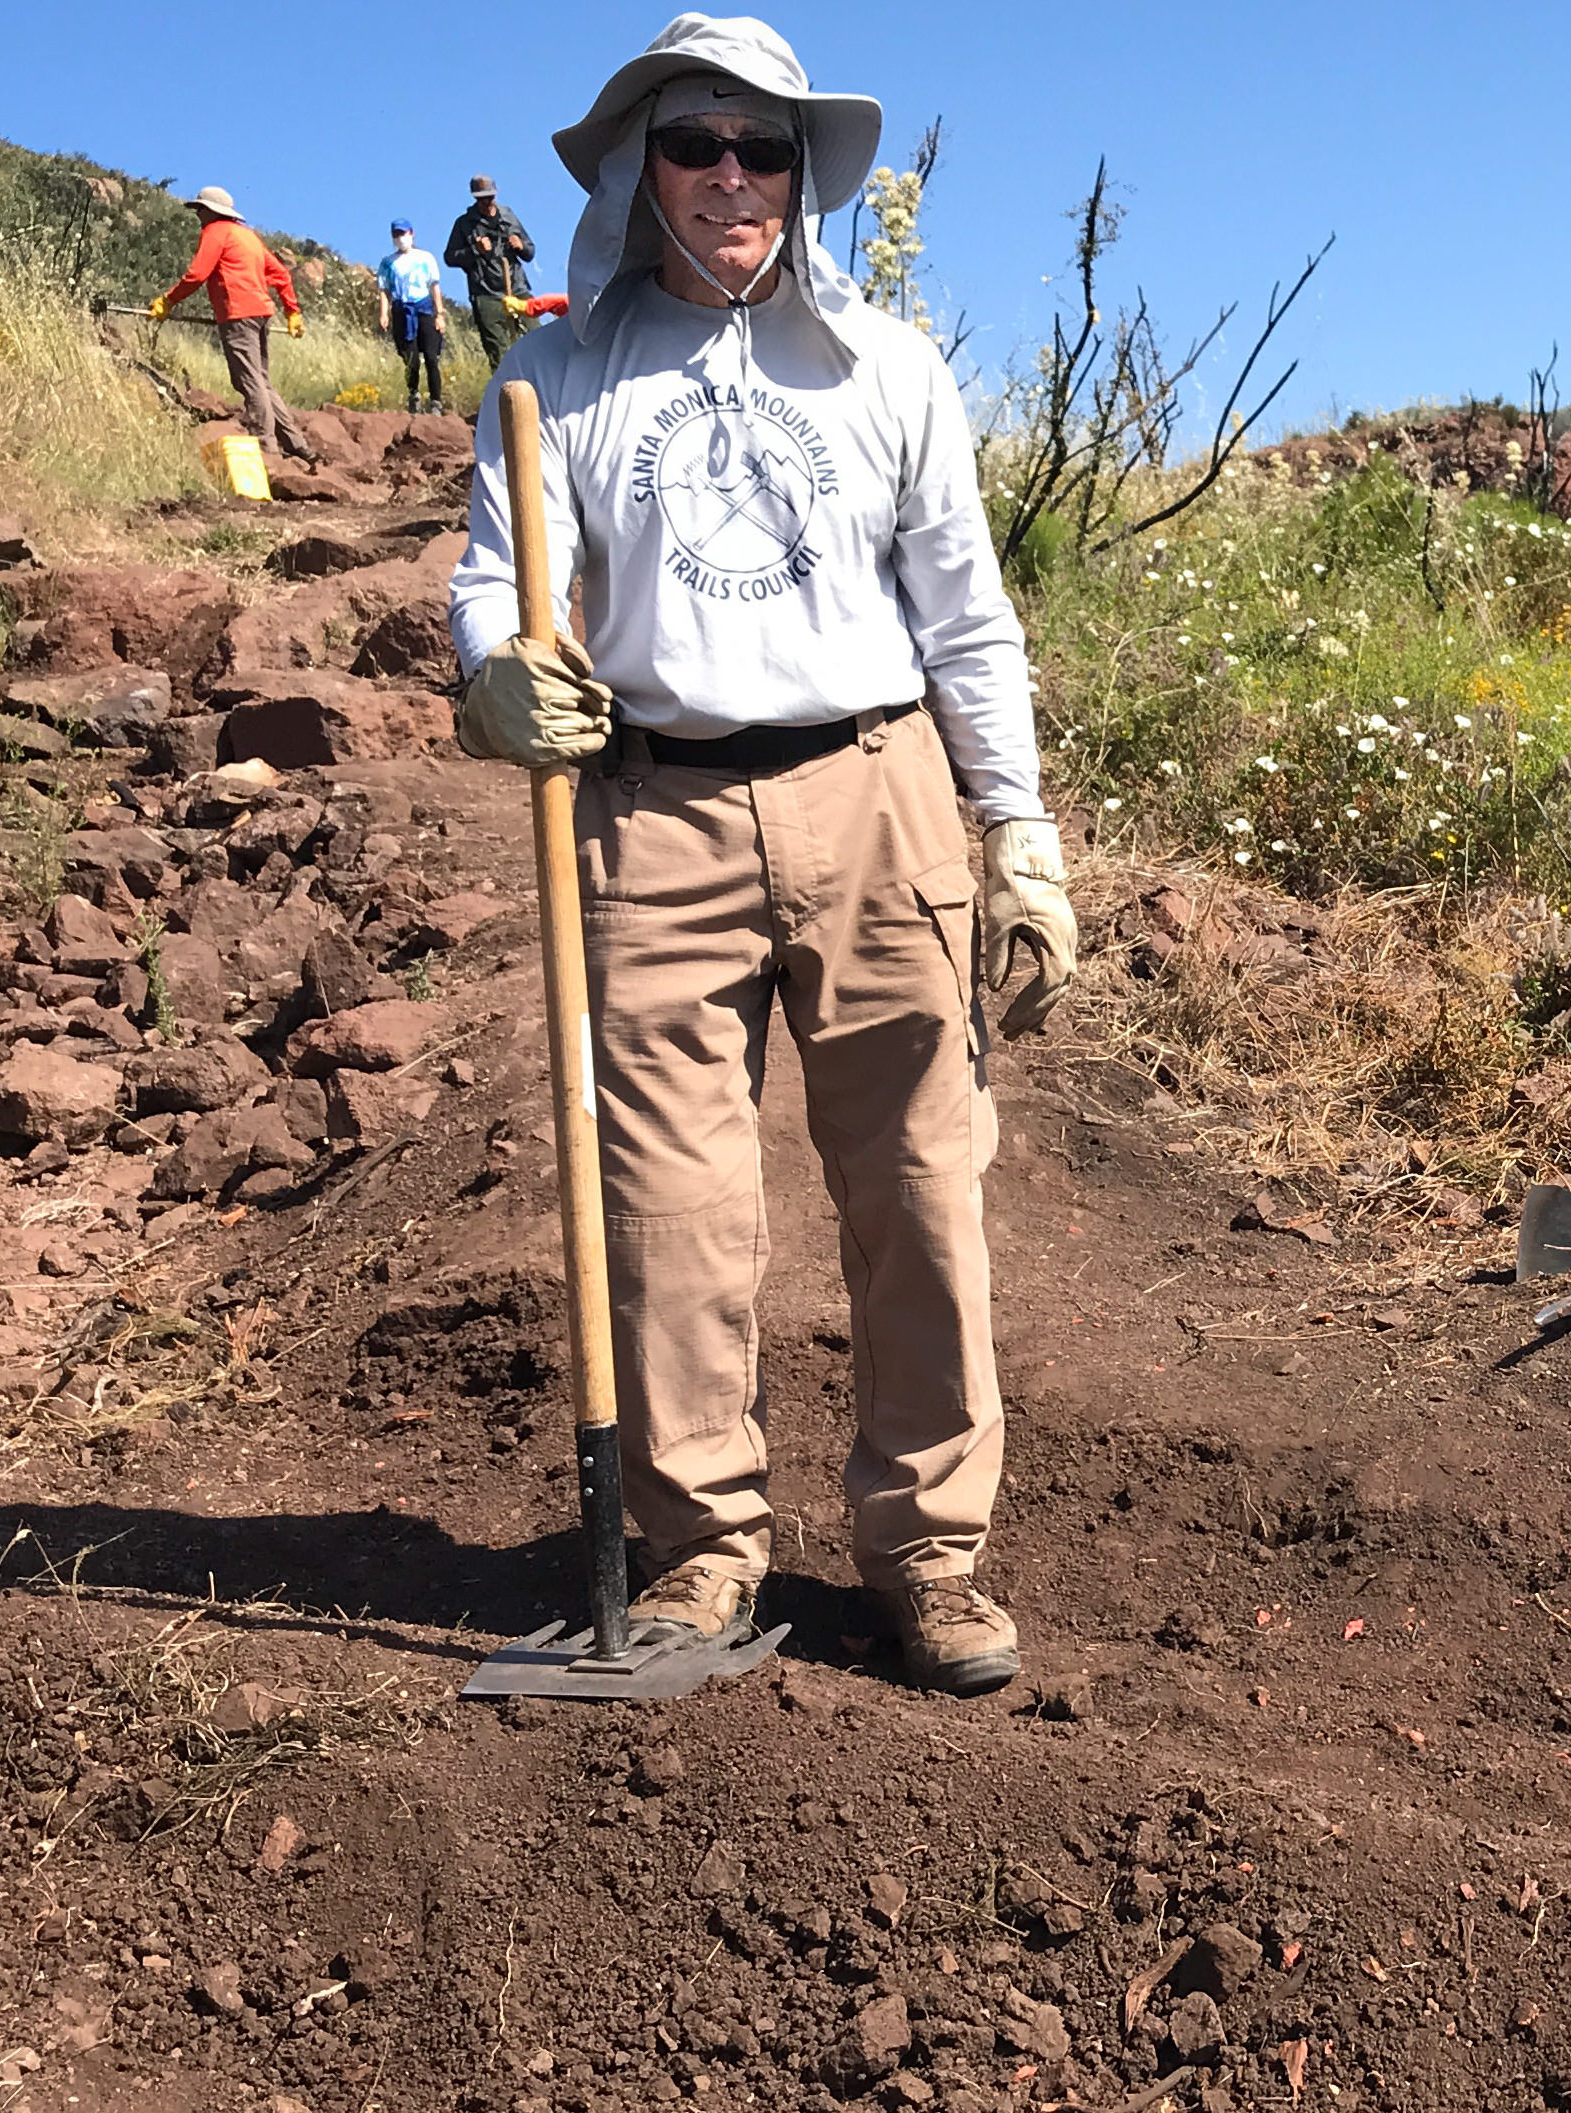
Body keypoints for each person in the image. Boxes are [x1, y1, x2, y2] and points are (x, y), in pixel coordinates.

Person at [443, 13, 1077, 1697]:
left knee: (924, 1189)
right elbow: (496, 590)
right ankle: (704, 1548)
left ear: (806, 176)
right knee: (670, 1209)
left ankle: (930, 1555)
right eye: (697, 145)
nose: (733, 178)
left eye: (766, 149)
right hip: (651, 811)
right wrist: (497, 673)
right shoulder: (552, 376)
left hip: (877, 797)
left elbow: (969, 618)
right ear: (641, 167)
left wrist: (1014, 824)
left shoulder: (887, 370)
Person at [149, 186, 314, 463]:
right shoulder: (247, 236)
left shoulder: (216, 232)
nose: (198, 215)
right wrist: (292, 311)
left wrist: (168, 301)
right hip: (261, 313)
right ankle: (296, 444)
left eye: (199, 209)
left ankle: (266, 445)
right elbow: (281, 275)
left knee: (249, 380)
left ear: (212, 211)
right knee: (261, 380)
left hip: (238, 315)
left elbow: (197, 274)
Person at [442, 173, 537, 362]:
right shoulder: (464, 224)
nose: (487, 202)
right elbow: (450, 257)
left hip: (518, 289)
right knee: (499, 354)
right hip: (486, 295)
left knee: (538, 342)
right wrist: (474, 251)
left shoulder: (509, 216)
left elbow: (530, 252)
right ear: (474, 197)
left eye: (490, 197)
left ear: (496, 194)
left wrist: (521, 246)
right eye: (481, 198)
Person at [375, 221, 449, 414]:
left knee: (432, 357)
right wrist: (384, 314)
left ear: (411, 234)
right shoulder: (388, 263)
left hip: (424, 310)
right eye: (396, 234)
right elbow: (384, 290)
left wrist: (439, 314)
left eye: (403, 233)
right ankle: (413, 394)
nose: (400, 238)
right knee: (411, 359)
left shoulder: (425, 258)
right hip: (401, 312)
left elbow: (434, 287)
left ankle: (436, 401)